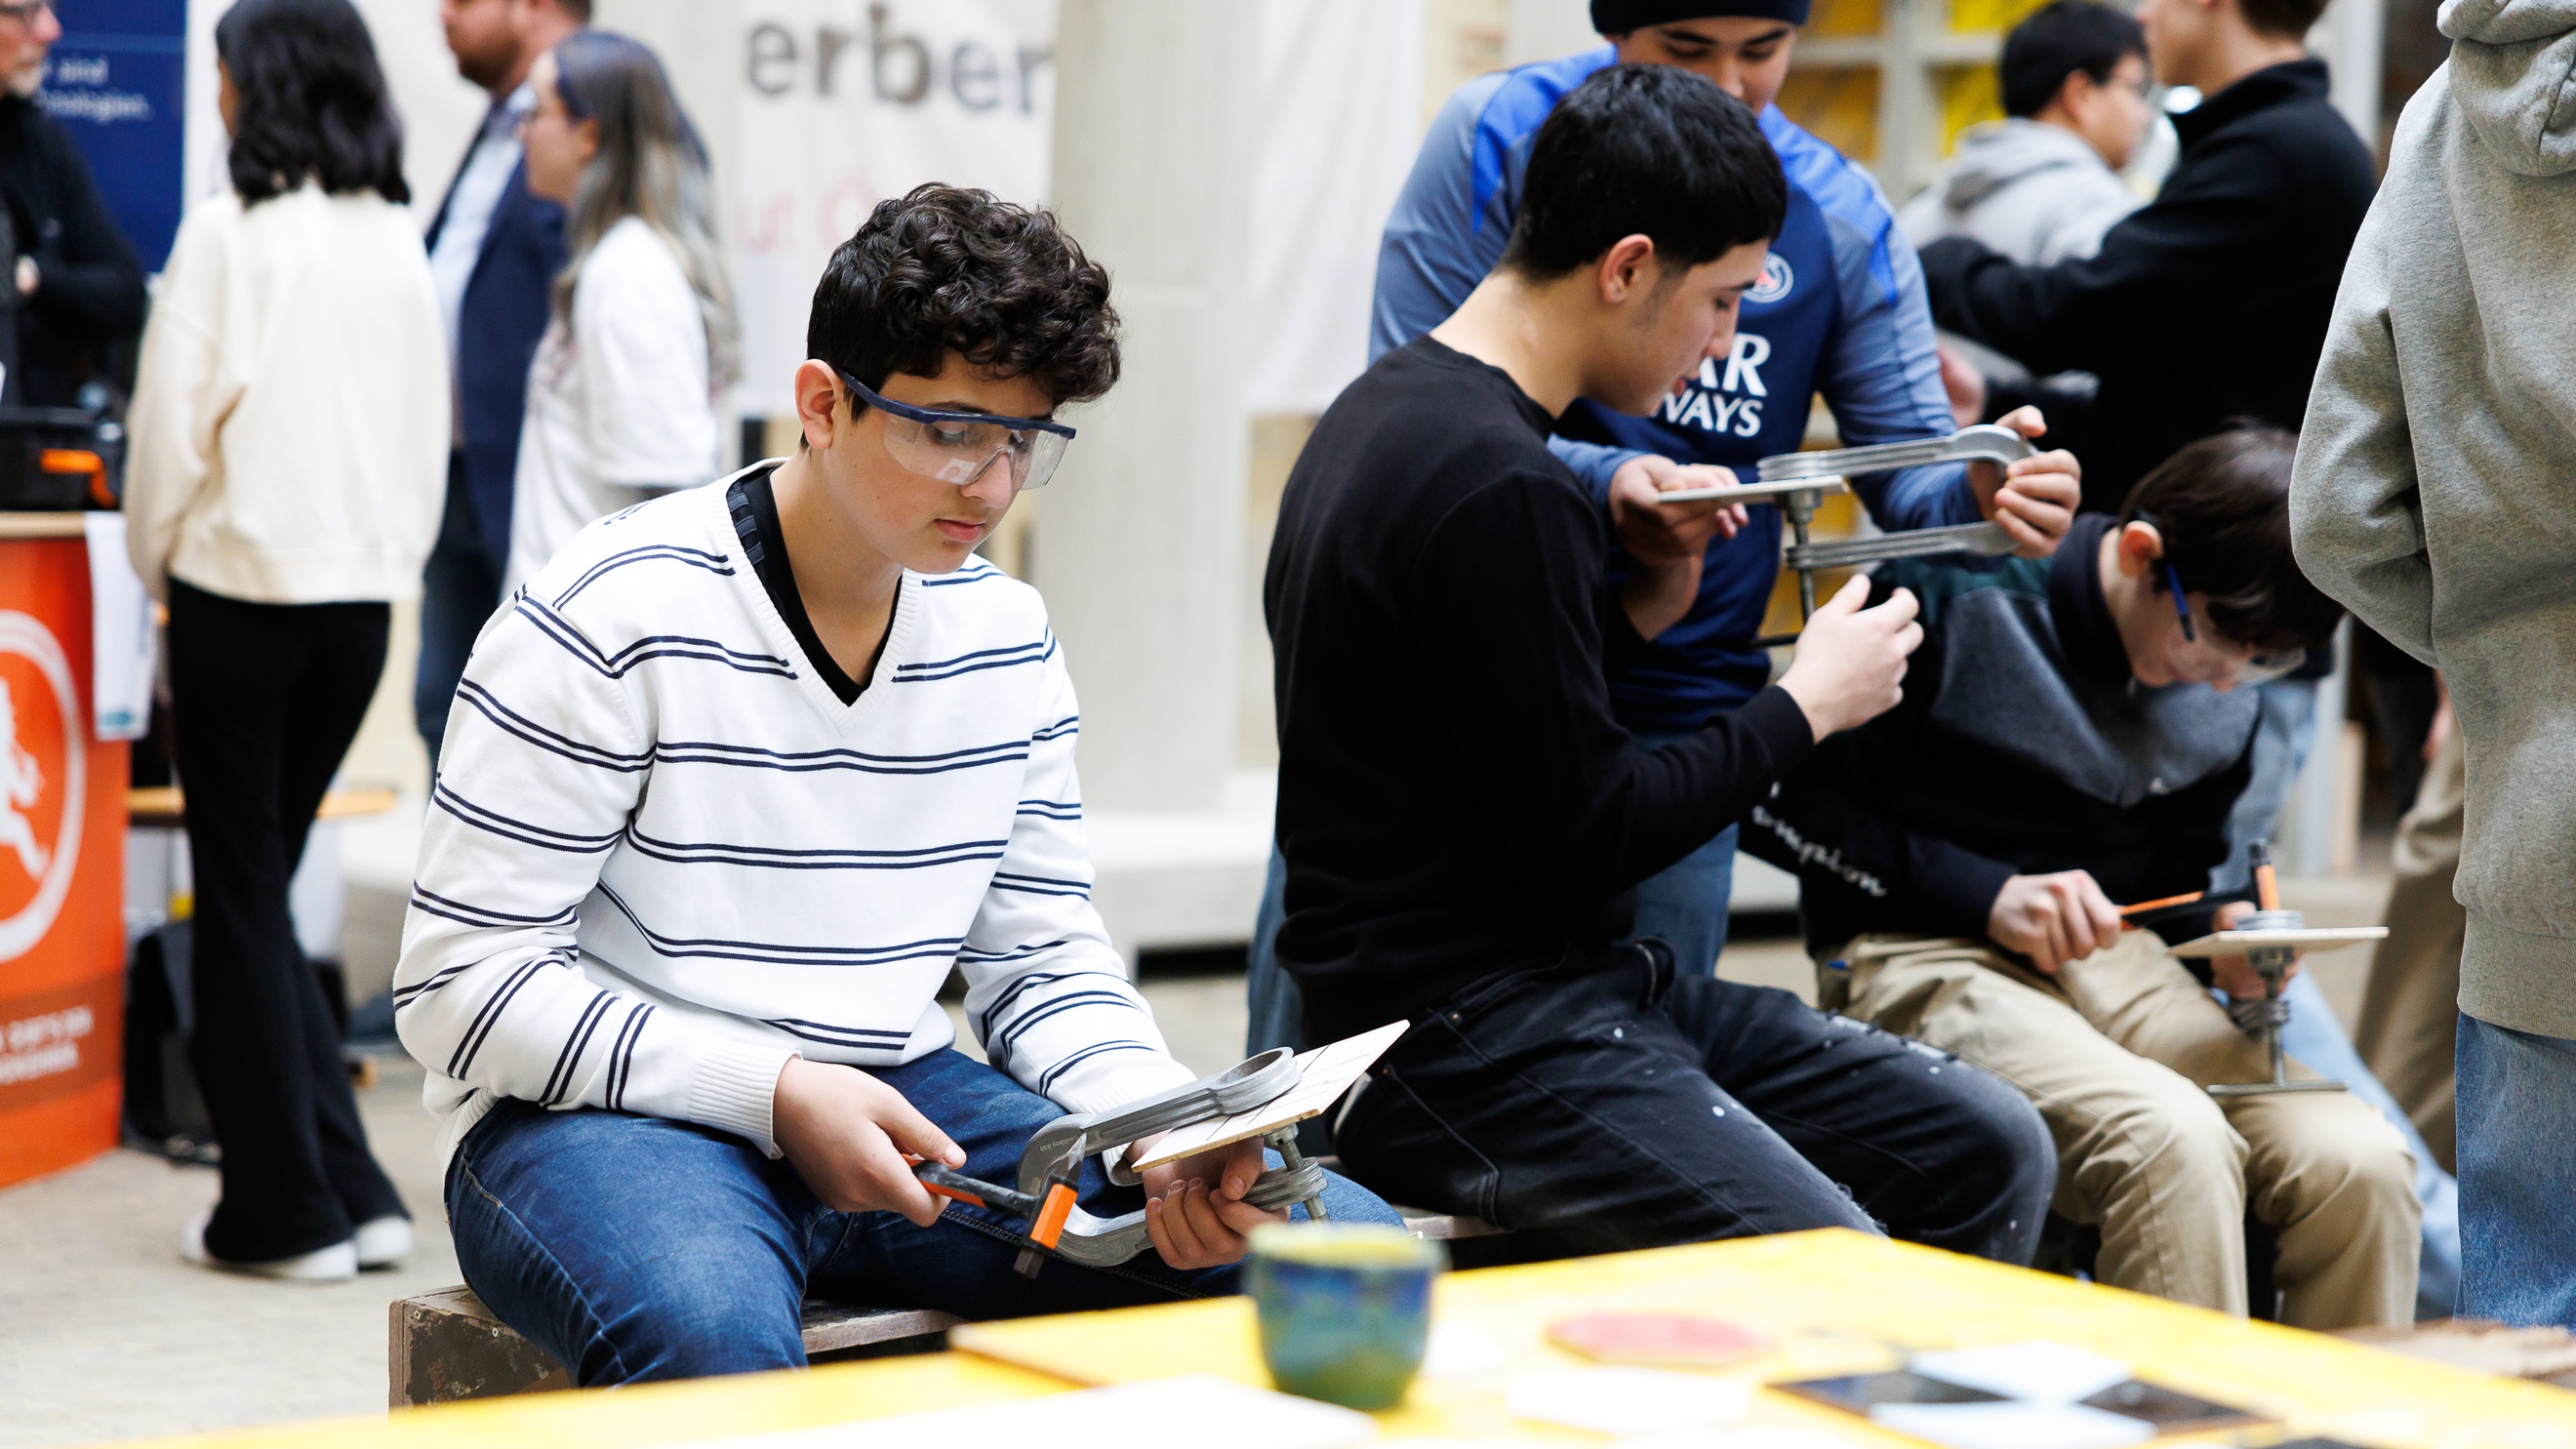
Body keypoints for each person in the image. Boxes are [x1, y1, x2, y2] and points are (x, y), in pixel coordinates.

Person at [394, 184, 1400, 1385]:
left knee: (1339, 1242)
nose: (990, 486)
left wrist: (1160, 1132)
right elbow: (460, 986)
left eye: (1023, 440)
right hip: (604, 1125)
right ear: (824, 404)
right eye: (952, 430)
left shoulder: (1006, 637)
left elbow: (1042, 962)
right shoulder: (613, 615)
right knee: (710, 1337)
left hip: (900, 1096)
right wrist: (773, 1091)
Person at [1272, 64, 2055, 1265]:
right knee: (1836, 1268)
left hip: (1560, 999)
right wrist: (1808, 704)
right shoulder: (1500, 484)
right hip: (1457, 1044)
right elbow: (1589, 832)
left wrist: (1643, 603)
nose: (1726, 345)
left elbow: (1460, 723)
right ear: (1627, 266)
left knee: (1991, 1143)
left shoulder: (1386, 417)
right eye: (1724, 301)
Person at [1748, 427, 2417, 1328]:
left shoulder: (2229, 685)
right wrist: (1986, 893)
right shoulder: (1956, 595)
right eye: (2225, 635)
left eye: (2269, 658)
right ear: (2143, 554)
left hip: (2118, 959)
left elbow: (2175, 880)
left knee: (2358, 1158)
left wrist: (2224, 936)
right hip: (1925, 950)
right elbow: (1780, 805)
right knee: (2167, 1139)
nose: (2229, 681)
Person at [122, 0, 446, 1282]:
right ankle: (353, 1188)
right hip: (359, 609)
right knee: (260, 883)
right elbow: (427, 441)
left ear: (253, 82)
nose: (214, 98)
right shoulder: (393, 242)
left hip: (236, 594)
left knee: (243, 888)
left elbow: (168, 434)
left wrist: (156, 565)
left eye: (222, 75)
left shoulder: (231, 234)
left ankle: (283, 1213)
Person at [1917, 0, 2373, 905]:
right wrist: (2003, 406)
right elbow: (2167, 387)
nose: (2142, 15)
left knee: (2213, 939)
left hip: (2228, 622)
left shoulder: (2283, 152)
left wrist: (1928, 259)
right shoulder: (2261, 141)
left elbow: (2081, 311)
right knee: (2176, 930)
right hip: (2195, 612)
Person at [2290, 0, 2576, 1331]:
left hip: (2537, 829)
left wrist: (2508, 671)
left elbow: (2336, 513)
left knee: (2532, 1335)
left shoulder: (2440, 117)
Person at [416, 0, 585, 772]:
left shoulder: (606, 110)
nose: (442, 13)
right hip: (455, 470)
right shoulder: (499, 122)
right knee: (440, 706)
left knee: (527, 725)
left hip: (538, 481)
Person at [502, 31, 733, 591]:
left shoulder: (631, 274)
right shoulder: (617, 259)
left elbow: (669, 505)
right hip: (568, 625)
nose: (522, 130)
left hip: (590, 642)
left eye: (536, 112)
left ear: (588, 134)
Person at [1899, 0, 2151, 266]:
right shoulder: (2096, 210)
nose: (2143, 114)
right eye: (2136, 89)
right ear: (2081, 95)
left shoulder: (1925, 210)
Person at [0, 0, 144, 407]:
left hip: (31, 445)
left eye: (48, 8)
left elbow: (125, 293)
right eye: (26, 12)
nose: (49, 30)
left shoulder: (38, 139)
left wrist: (32, 278)